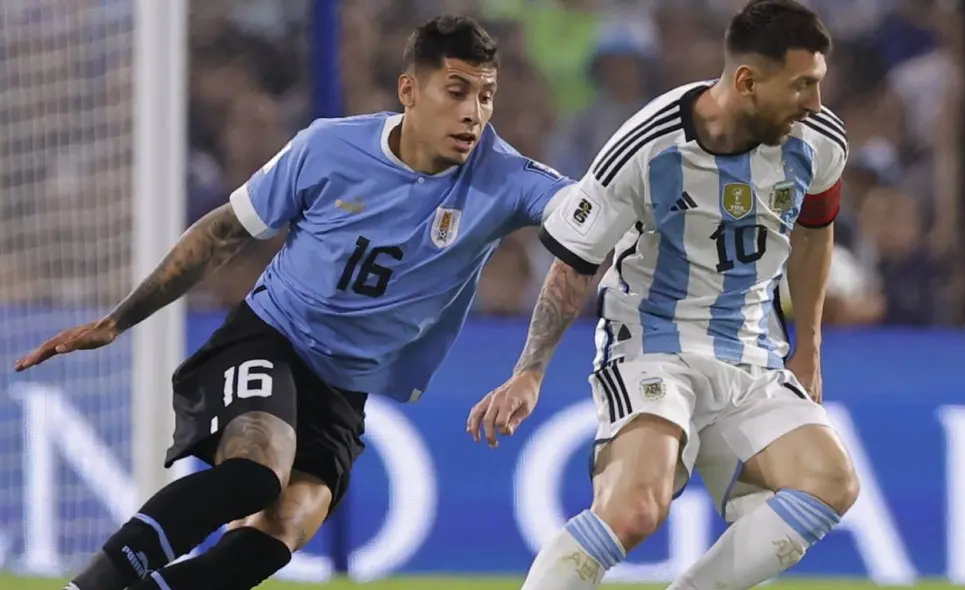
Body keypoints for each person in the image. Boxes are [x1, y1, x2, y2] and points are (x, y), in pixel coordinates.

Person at [15, 16, 574, 590]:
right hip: (269, 338)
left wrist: (532, 367)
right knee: (257, 474)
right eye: (456, 92)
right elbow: (224, 233)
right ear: (409, 90)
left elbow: (584, 221)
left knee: (283, 529)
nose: (473, 114)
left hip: (342, 389)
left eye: (486, 96)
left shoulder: (505, 177)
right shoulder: (329, 147)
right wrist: (119, 319)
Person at [468, 1, 859, 589]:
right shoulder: (647, 146)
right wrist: (530, 370)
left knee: (832, 482)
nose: (815, 103)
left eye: (819, 84)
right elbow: (574, 264)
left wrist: (810, 347)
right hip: (652, 344)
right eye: (803, 85)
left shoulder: (819, 140)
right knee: (635, 510)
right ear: (748, 81)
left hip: (750, 352)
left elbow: (814, 233)